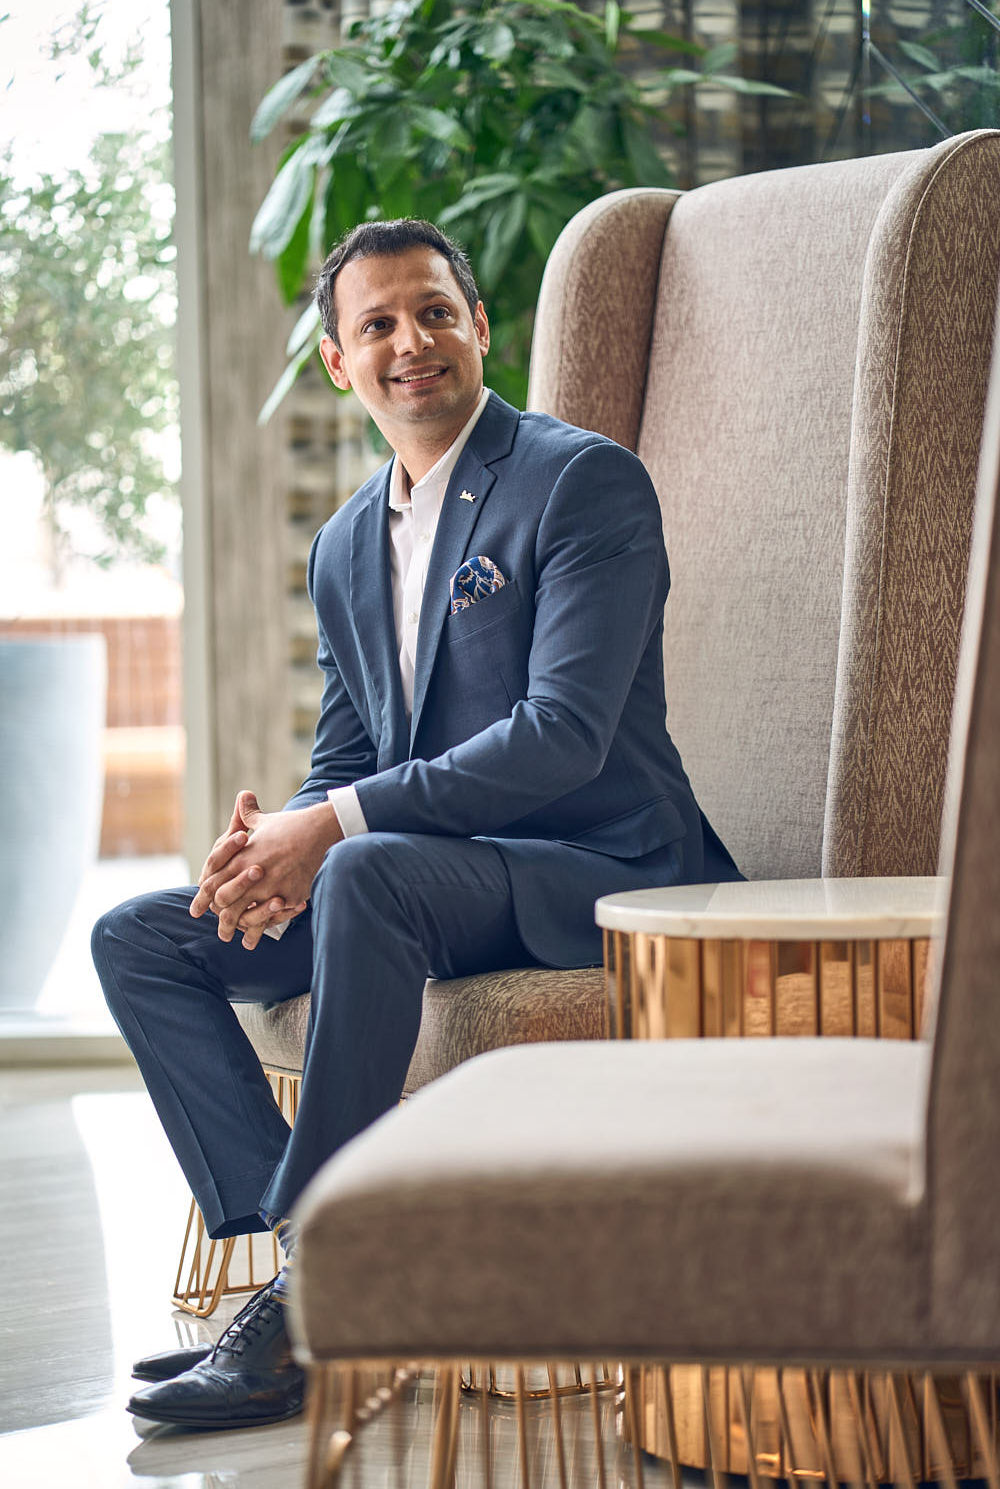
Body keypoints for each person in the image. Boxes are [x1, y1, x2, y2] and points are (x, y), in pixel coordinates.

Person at [92, 218, 741, 1432]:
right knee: (145, 936)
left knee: (366, 872)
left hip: (597, 868)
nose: (412, 342)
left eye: (435, 311)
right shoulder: (343, 546)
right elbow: (350, 755)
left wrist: (331, 831)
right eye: (377, 323)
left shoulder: (580, 479)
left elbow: (562, 736)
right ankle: (289, 1247)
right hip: (423, 875)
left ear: (480, 327)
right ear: (339, 362)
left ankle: (304, 1307)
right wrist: (271, 848)